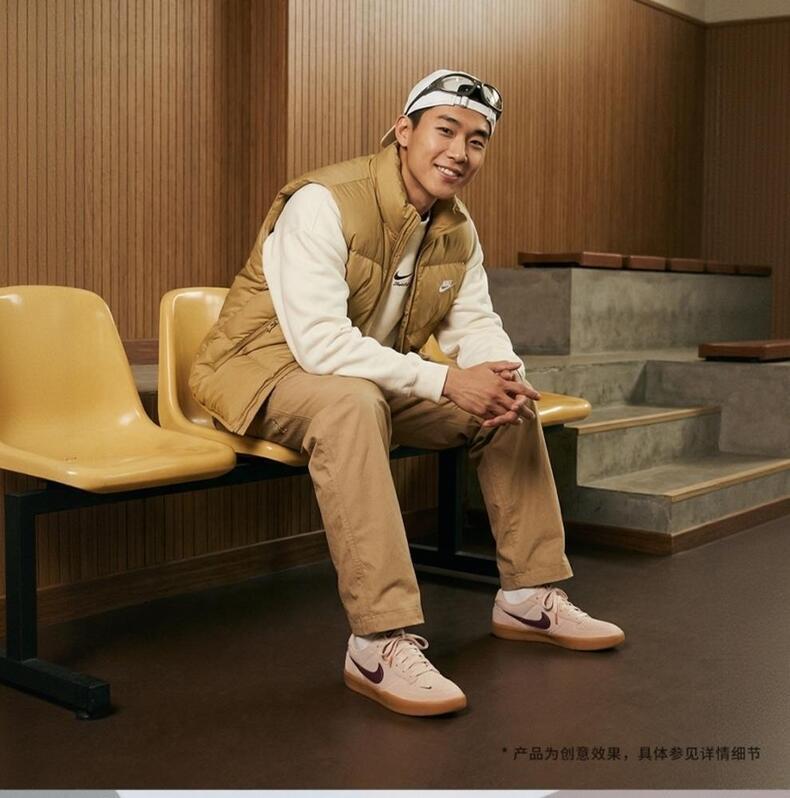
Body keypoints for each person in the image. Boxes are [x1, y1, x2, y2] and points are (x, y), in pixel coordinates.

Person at [190, 69, 625, 718]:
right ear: (403, 131)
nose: (459, 151)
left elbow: (474, 323)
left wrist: (500, 373)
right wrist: (448, 379)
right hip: (262, 369)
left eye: (476, 141)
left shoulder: (456, 229)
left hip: (363, 374)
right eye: (445, 130)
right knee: (352, 404)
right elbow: (320, 346)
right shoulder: (322, 202)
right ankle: (378, 641)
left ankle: (529, 597)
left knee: (507, 405)